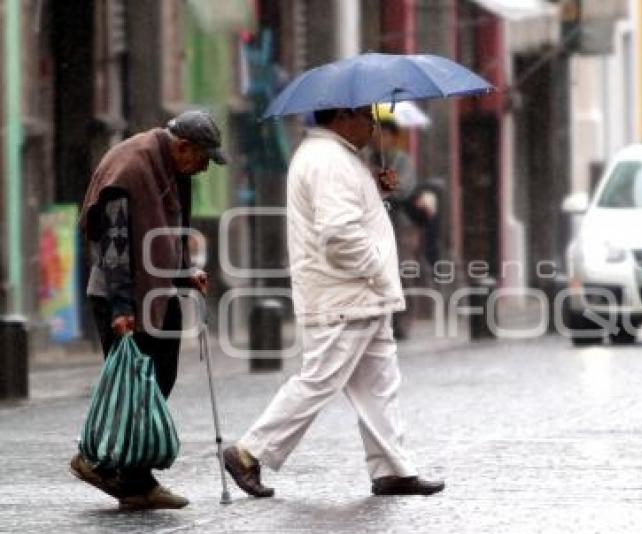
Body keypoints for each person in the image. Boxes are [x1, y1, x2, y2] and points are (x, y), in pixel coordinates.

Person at [222, 105, 444, 498]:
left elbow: (346, 214)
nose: (374, 125)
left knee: (379, 384)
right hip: (346, 293)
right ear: (342, 116)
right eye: (366, 117)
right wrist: (377, 270)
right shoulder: (329, 160)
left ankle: (392, 468)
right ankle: (248, 452)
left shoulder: (337, 158)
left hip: (360, 295)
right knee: (320, 379)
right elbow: (338, 234)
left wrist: (374, 191)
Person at [70, 110, 228, 510]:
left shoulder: (172, 168)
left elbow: (168, 230)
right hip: (121, 294)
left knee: (159, 380)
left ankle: (130, 477)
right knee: (135, 388)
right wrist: (123, 307)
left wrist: (183, 273)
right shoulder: (131, 167)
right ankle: (113, 470)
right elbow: (115, 243)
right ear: (183, 147)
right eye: (202, 158)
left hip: (157, 289)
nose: (204, 168)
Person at [364, 118, 419, 339]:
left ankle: (403, 321)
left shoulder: (402, 161)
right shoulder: (365, 159)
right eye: (375, 134)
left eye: (383, 135)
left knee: (404, 271)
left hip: (400, 226)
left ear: (393, 138)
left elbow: (404, 190)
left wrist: (384, 180)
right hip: (373, 226)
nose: (379, 140)